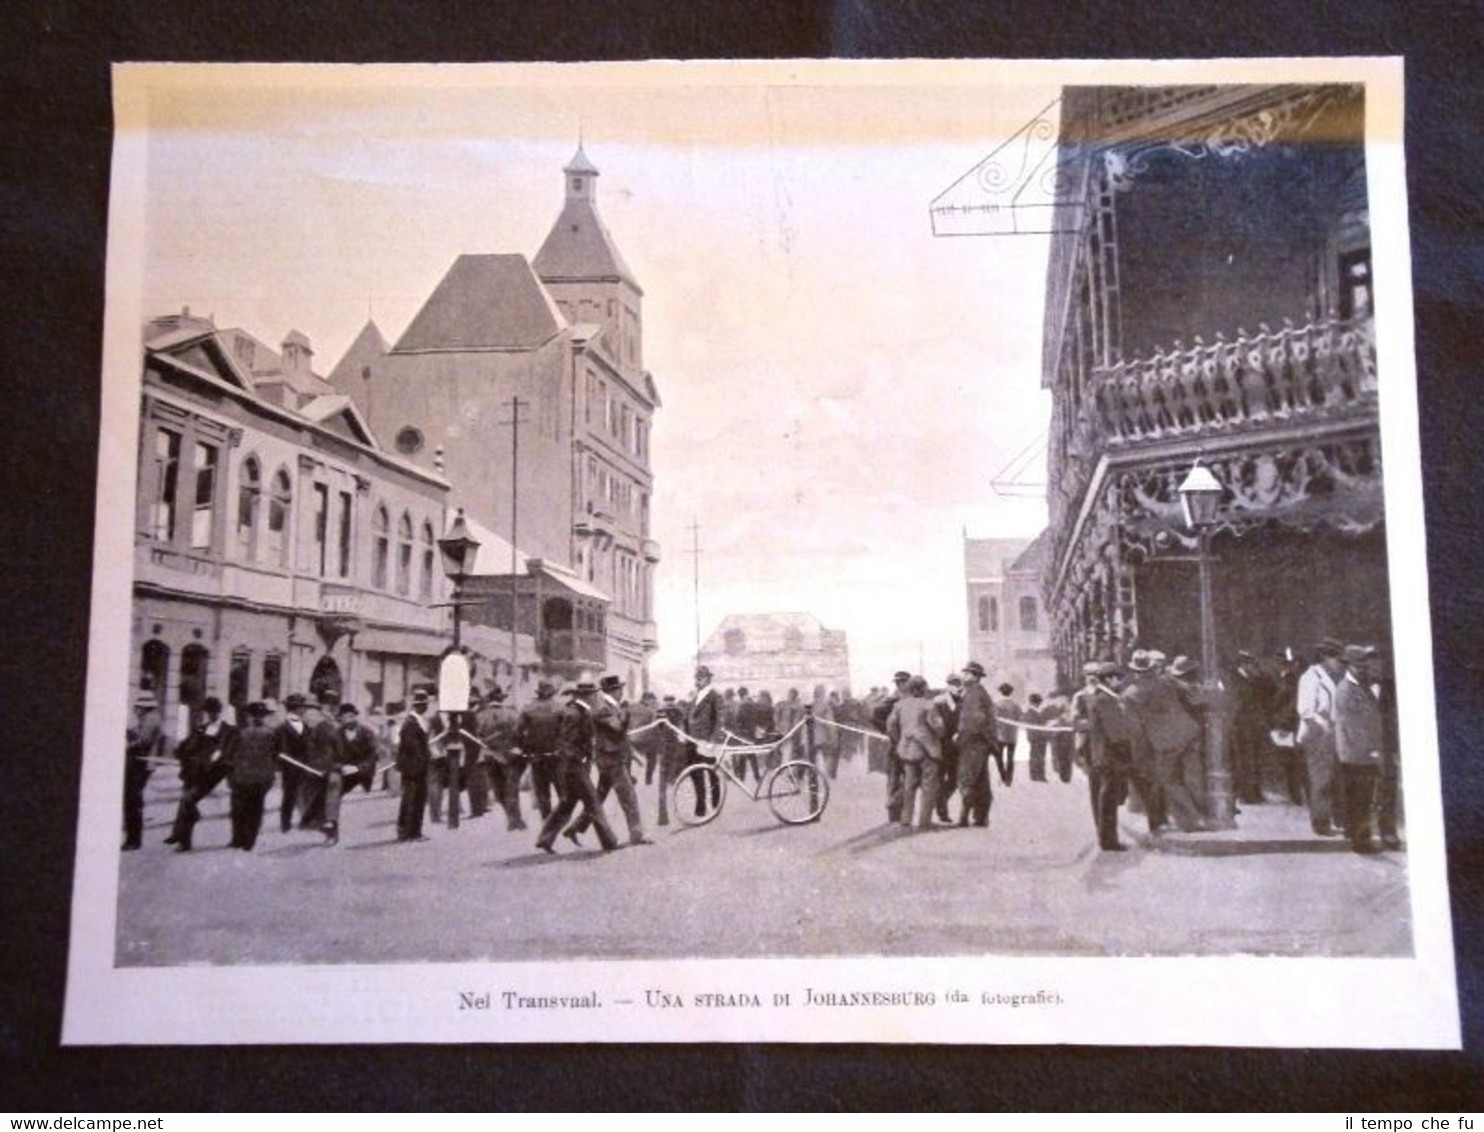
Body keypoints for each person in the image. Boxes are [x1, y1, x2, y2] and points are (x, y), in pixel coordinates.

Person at [1124, 652, 1208, 833]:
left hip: (1165, 742)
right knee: (1194, 776)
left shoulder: (1130, 694)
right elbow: (1193, 695)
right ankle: (1205, 814)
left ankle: (1193, 819)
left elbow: (1136, 730)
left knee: (1169, 780)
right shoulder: (1167, 680)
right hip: (1189, 732)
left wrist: (1139, 756)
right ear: (1152, 668)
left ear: (1134, 671)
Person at [566, 675, 652, 847]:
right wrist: (627, 715)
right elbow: (619, 728)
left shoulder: (610, 706)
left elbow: (621, 736)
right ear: (615, 690)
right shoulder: (602, 708)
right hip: (611, 760)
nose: (622, 693)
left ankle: (575, 827)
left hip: (610, 758)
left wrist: (633, 754)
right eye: (620, 689)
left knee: (598, 797)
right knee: (628, 796)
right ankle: (637, 835)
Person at [536, 680, 620, 854]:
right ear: (586, 696)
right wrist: (579, 761)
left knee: (566, 804)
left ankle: (545, 838)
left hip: (571, 766)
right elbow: (566, 742)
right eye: (593, 694)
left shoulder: (579, 711)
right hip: (573, 767)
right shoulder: (575, 714)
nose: (595, 697)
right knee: (593, 802)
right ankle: (609, 841)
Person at [165, 695, 238, 851]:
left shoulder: (229, 731)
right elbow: (187, 746)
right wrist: (180, 750)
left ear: (220, 712)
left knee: (188, 799)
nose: (212, 714)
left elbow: (228, 752)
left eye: (215, 711)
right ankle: (184, 843)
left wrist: (218, 756)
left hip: (212, 773)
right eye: (209, 711)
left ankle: (181, 832)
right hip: (194, 770)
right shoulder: (201, 728)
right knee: (184, 802)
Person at [1077, 661, 1135, 851]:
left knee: (1108, 797)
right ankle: (1109, 840)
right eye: (1118, 679)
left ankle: (1108, 838)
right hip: (1109, 756)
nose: (1120, 683)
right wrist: (1127, 753)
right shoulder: (1105, 700)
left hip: (1104, 755)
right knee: (1108, 798)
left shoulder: (1102, 698)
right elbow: (1115, 733)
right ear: (1110, 679)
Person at [1333, 645, 1384, 854]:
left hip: (1362, 753)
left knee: (1362, 798)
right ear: (1349, 666)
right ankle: (1360, 842)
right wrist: (1371, 751)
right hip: (1355, 754)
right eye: (1358, 665)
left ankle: (1358, 837)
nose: (1362, 669)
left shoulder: (1361, 686)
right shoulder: (1345, 690)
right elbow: (1351, 727)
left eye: (1364, 665)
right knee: (1359, 800)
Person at [1297, 638, 1346, 836]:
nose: (1338, 662)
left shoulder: (1337, 676)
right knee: (1320, 780)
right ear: (1325, 657)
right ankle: (1321, 823)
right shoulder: (1311, 677)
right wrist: (1324, 725)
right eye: (1335, 658)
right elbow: (1306, 710)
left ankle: (1337, 820)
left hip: (1335, 733)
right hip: (1317, 733)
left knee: (1336, 778)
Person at [887, 676, 944, 828]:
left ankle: (906, 819)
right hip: (927, 750)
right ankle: (924, 821)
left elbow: (891, 726)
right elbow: (938, 727)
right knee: (928, 786)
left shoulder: (899, 705)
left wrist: (900, 739)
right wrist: (940, 736)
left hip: (907, 750)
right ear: (921, 689)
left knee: (908, 785)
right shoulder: (928, 705)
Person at [954, 662, 997, 827]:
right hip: (982, 742)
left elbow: (973, 719)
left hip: (972, 742)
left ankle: (964, 817)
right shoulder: (978, 692)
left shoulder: (973, 693)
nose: (963, 676)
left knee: (967, 778)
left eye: (965, 673)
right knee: (981, 781)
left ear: (973, 676)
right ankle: (981, 817)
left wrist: (960, 735)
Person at [229, 702, 277, 850]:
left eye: (261, 715)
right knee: (242, 809)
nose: (258, 718)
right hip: (244, 777)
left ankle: (246, 840)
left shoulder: (269, 734)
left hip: (256, 778)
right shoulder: (242, 733)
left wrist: (270, 776)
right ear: (249, 716)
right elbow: (234, 755)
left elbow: (274, 757)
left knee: (251, 809)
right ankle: (240, 839)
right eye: (255, 715)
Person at [515, 680, 565, 821]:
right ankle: (562, 817)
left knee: (542, 791)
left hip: (537, 756)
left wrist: (525, 750)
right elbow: (567, 732)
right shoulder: (560, 708)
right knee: (561, 789)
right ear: (552, 693)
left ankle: (546, 818)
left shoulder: (528, 709)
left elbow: (518, 733)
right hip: (556, 756)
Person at [479, 685, 526, 831]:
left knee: (498, 790)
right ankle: (515, 819)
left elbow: (476, 737)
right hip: (509, 756)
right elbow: (520, 735)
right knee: (511, 789)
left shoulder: (480, 716)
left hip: (489, 756)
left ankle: (513, 818)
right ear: (502, 699)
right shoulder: (513, 714)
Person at [123, 690, 164, 851]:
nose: (136, 709)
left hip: (142, 763)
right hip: (140, 762)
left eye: (138, 706)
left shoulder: (151, 719)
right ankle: (133, 839)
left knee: (132, 800)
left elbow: (143, 741)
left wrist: (128, 739)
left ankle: (133, 840)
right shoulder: (149, 718)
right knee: (133, 800)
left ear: (144, 707)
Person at [1230, 650, 1273, 805]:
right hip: (1242, 725)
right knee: (1245, 760)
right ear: (1242, 664)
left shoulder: (1253, 678)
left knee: (1256, 759)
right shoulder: (1234, 679)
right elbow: (1238, 702)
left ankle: (1256, 791)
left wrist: (1259, 672)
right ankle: (1247, 794)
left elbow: (1269, 688)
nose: (1251, 666)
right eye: (1249, 663)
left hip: (1255, 725)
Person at [681, 666, 724, 819]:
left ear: (708, 679)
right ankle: (701, 807)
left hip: (707, 742)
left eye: (701, 678)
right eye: (697, 677)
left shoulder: (715, 696)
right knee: (694, 773)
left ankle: (715, 804)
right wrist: (685, 734)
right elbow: (687, 717)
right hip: (692, 741)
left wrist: (713, 740)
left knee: (712, 773)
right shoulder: (695, 696)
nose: (698, 680)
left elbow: (719, 720)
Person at [396, 689, 434, 842]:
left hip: (418, 767)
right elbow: (411, 746)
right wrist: (424, 757)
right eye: (424, 705)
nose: (426, 707)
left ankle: (415, 832)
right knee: (410, 799)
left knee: (418, 799)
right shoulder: (411, 723)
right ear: (418, 705)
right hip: (413, 768)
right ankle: (406, 832)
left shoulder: (419, 721)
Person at [274, 693, 314, 833]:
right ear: (296, 709)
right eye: (302, 707)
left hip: (305, 766)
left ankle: (305, 820)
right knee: (289, 795)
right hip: (291, 767)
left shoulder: (305, 726)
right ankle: (286, 824)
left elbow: (310, 745)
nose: (304, 710)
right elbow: (283, 750)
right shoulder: (282, 728)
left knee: (304, 794)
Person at [873, 671, 910, 822]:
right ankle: (895, 810)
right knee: (904, 777)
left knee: (896, 778)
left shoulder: (898, 698)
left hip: (898, 743)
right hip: (902, 744)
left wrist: (888, 732)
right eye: (903, 682)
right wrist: (889, 732)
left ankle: (895, 814)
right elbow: (875, 714)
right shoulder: (895, 699)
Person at [932, 674, 962, 821]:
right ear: (947, 684)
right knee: (939, 776)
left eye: (958, 683)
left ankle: (940, 800)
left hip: (957, 746)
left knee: (955, 779)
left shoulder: (963, 701)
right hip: (941, 744)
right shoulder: (938, 701)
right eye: (953, 683)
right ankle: (942, 810)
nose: (956, 686)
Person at [629, 691, 661, 786]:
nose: (653, 702)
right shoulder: (651, 711)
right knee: (653, 756)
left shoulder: (631, 708)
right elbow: (654, 727)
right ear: (646, 700)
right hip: (645, 740)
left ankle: (629, 776)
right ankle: (648, 778)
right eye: (652, 700)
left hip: (631, 739)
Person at [731, 687, 762, 783]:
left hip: (743, 732)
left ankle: (742, 777)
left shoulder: (741, 705)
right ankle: (756, 776)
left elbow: (737, 719)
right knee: (751, 754)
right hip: (751, 732)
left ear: (740, 695)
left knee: (743, 755)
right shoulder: (752, 703)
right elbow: (757, 716)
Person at [993, 682, 1020, 786]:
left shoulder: (996, 704)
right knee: (1010, 758)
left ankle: (1002, 776)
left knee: (998, 757)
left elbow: (994, 720)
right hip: (1012, 735)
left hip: (1000, 735)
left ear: (1000, 692)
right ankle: (1009, 780)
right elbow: (1019, 718)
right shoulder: (1016, 705)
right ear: (1011, 693)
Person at [812, 684, 840, 779]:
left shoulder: (811, 706)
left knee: (813, 761)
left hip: (812, 737)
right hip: (824, 737)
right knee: (828, 757)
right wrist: (834, 738)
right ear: (823, 694)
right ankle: (828, 779)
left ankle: (814, 778)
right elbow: (830, 724)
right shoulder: (826, 707)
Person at [1022, 693, 1050, 782]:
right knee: (1036, 756)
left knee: (1040, 756)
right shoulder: (1030, 713)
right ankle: (1035, 775)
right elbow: (1033, 727)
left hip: (1041, 738)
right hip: (1036, 738)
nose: (1038, 704)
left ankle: (1039, 774)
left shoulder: (1037, 713)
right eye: (1038, 702)